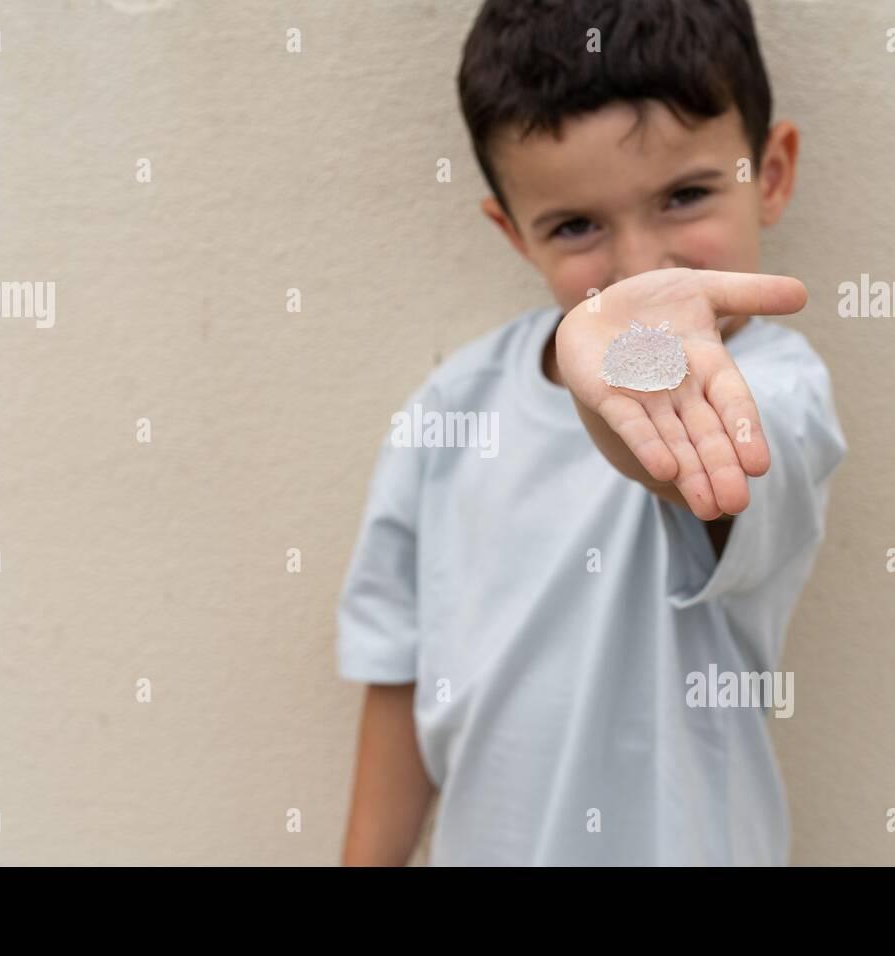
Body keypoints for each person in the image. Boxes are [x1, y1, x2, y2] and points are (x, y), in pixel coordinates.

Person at [337, 0, 847, 866]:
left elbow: (686, 472)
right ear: (513, 233)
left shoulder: (778, 392)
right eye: (576, 226)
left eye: (685, 196)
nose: (640, 269)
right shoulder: (450, 405)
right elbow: (399, 675)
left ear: (771, 172)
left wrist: (620, 369)